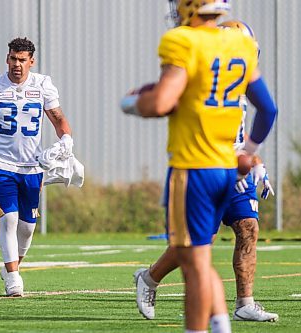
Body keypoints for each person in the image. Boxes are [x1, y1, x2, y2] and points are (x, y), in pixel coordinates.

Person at [120, 0, 278, 332]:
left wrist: (134, 104)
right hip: (228, 168)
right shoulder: (240, 46)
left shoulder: (182, 40)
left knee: (196, 262)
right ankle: (219, 322)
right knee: (198, 256)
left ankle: (211, 321)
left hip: (193, 167)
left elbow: (164, 102)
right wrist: (248, 155)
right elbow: (268, 109)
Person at [0, 37, 73, 297]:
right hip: (1, 163)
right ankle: (13, 280)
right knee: (9, 219)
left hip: (32, 165)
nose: (17, 65)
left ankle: (11, 267)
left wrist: (66, 139)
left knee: (27, 226)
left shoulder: (43, 85)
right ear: (6, 59)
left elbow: (59, 119)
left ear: (31, 62)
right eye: (13, 59)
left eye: (22, 60)